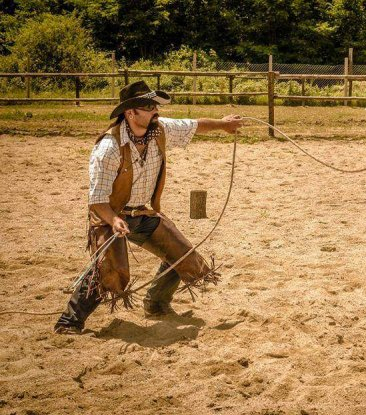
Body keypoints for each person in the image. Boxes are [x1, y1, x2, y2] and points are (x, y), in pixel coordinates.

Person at [54, 81, 243, 334]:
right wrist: (113, 220)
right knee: (111, 270)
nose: (156, 111)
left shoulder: (161, 130)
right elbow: (97, 200)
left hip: (142, 212)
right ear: (130, 113)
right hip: (110, 215)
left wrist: (224, 124)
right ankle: (69, 321)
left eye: (155, 106)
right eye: (148, 107)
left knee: (183, 255)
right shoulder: (108, 148)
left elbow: (196, 125)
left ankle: (155, 304)